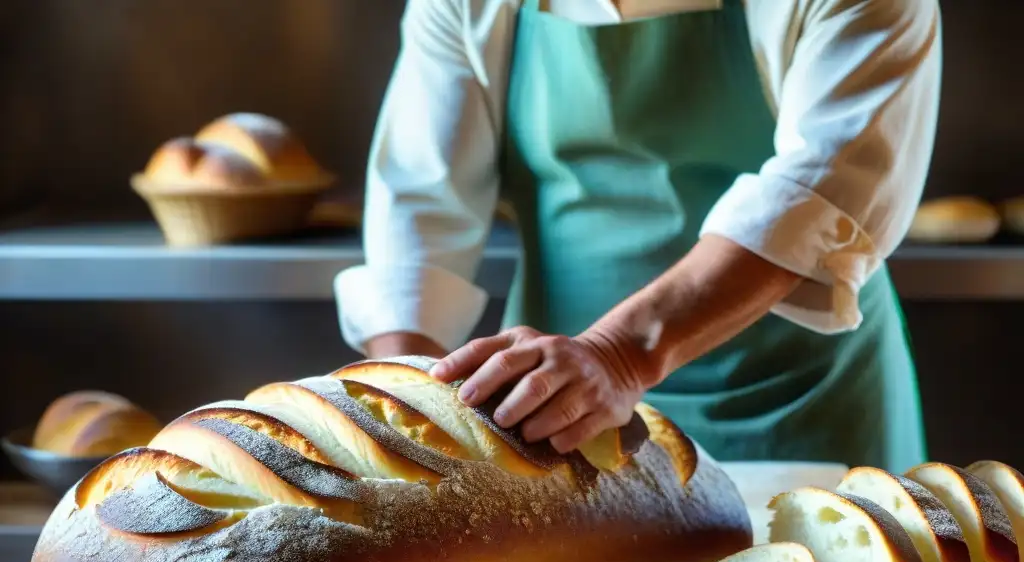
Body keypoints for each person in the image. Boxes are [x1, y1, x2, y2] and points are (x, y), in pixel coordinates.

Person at [335, 0, 942, 473]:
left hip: (798, 402)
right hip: (555, 408)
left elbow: (824, 188)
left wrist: (618, 356)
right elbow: (419, 198)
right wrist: (405, 404)